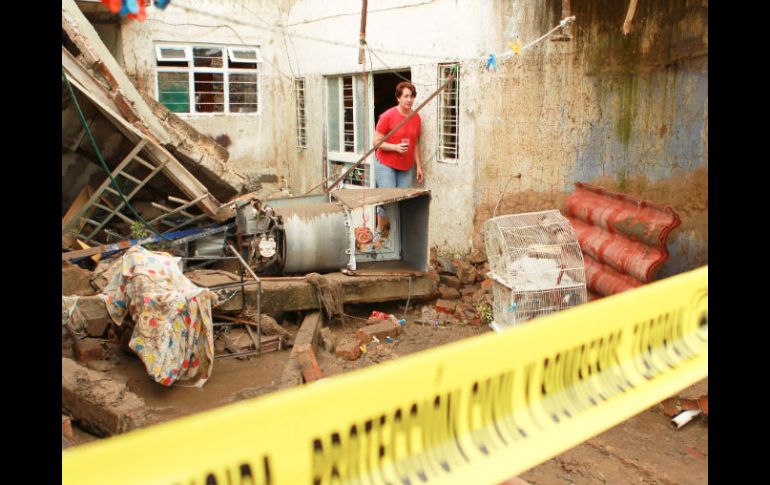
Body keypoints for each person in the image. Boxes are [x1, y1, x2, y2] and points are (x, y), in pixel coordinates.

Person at [371, 81, 423, 248]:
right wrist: (394, 147)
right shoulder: (387, 116)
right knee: (388, 201)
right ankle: (380, 234)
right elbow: (376, 142)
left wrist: (419, 166)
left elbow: (415, 143)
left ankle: (397, 239)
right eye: (406, 96)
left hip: (405, 166)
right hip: (386, 162)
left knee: (402, 202)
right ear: (398, 98)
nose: (409, 99)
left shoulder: (416, 118)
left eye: (412, 96)